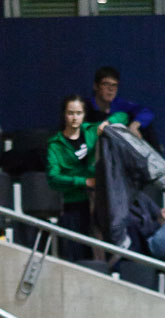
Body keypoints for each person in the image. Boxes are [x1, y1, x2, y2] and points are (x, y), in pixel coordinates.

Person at [47, 94, 127, 261]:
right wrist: (83, 181)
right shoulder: (55, 144)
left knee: (103, 251)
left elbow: (123, 116)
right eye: (70, 113)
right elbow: (53, 178)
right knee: (76, 255)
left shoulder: (91, 131)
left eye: (78, 113)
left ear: (84, 114)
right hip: (74, 205)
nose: (74, 118)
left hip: (99, 203)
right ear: (64, 114)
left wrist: (107, 123)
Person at [85, 65, 160, 152]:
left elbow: (147, 112)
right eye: (106, 84)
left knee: (146, 128)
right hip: (91, 149)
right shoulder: (85, 106)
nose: (111, 89)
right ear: (95, 86)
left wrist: (134, 126)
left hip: (115, 151)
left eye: (114, 85)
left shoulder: (120, 104)